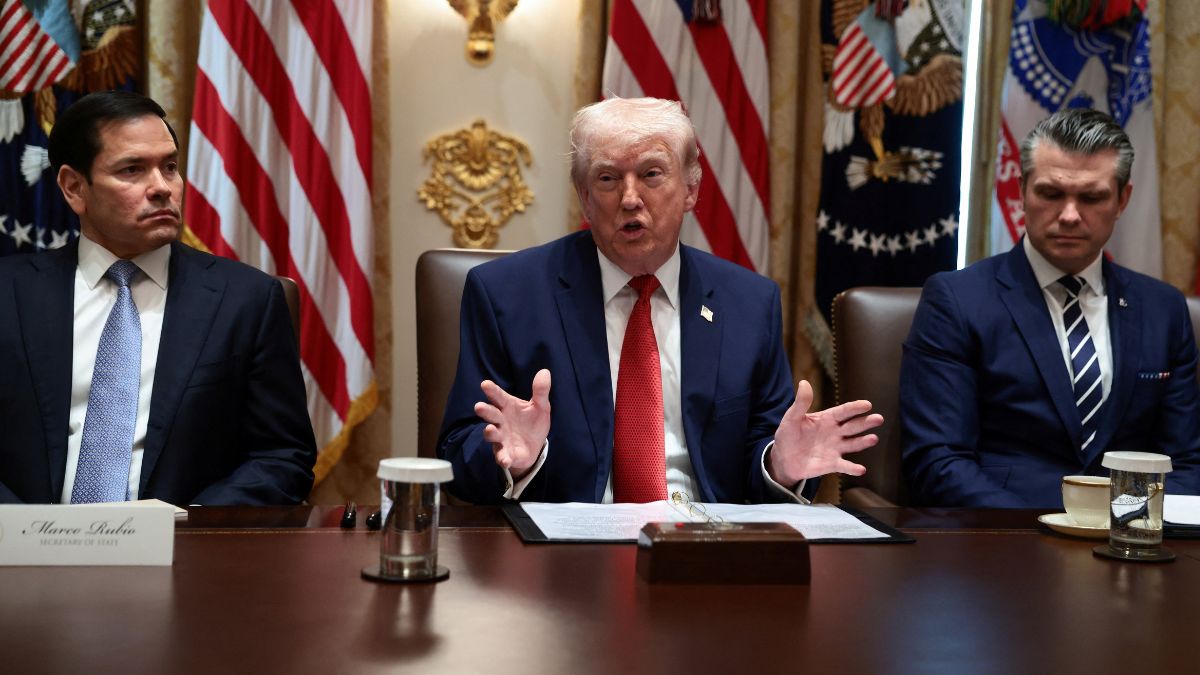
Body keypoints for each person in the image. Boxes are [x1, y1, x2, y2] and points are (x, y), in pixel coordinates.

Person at [438, 97, 882, 504]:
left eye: (651, 174)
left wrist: (778, 468)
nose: (630, 199)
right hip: (563, 559)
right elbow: (459, 453)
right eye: (608, 178)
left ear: (690, 190)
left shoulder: (750, 302)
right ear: (586, 199)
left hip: (704, 551)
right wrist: (514, 458)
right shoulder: (505, 295)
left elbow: (759, 452)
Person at [0, 90, 316, 505]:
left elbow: (282, 456)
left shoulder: (246, 301)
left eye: (169, 168)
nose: (162, 188)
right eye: (133, 170)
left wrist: (187, 526)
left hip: (186, 553)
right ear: (74, 187)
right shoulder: (9, 295)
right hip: (25, 553)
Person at [901, 108, 1200, 508]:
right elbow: (938, 462)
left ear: (1123, 199)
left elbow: (1186, 464)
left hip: (1131, 545)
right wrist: (1046, 531)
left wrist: (1120, 525)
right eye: (1051, 193)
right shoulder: (957, 300)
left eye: (1092, 197)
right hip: (1005, 543)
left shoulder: (1163, 309)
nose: (1070, 215)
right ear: (1023, 190)